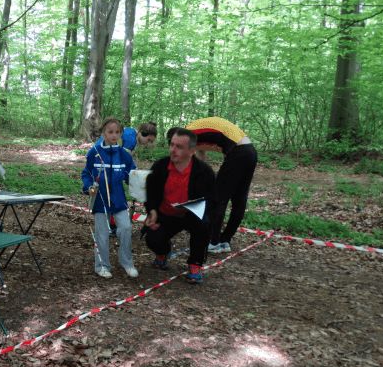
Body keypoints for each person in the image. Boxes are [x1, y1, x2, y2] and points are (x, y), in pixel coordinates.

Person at [143, 128, 215, 284]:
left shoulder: (204, 172)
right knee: (152, 237)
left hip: (191, 215)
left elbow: (211, 200)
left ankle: (195, 264)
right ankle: (163, 252)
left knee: (204, 225)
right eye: (172, 145)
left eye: (179, 147)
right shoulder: (160, 166)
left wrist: (192, 207)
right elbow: (151, 193)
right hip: (165, 214)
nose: (173, 150)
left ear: (191, 151)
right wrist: (152, 211)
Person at [185, 117, 258, 254]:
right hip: (251, 152)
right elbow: (200, 155)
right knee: (239, 199)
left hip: (238, 153)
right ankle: (225, 241)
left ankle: (213, 242)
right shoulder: (196, 133)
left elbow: (187, 160)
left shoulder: (187, 134)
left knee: (218, 199)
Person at [81, 117, 138, 278]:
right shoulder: (94, 153)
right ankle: (102, 266)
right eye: (110, 132)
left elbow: (131, 175)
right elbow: (86, 174)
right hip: (100, 200)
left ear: (120, 134)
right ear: (103, 133)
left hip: (118, 200)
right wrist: (89, 186)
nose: (114, 135)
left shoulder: (124, 155)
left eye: (117, 132)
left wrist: (139, 182)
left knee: (125, 228)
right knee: (102, 233)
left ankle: (127, 263)